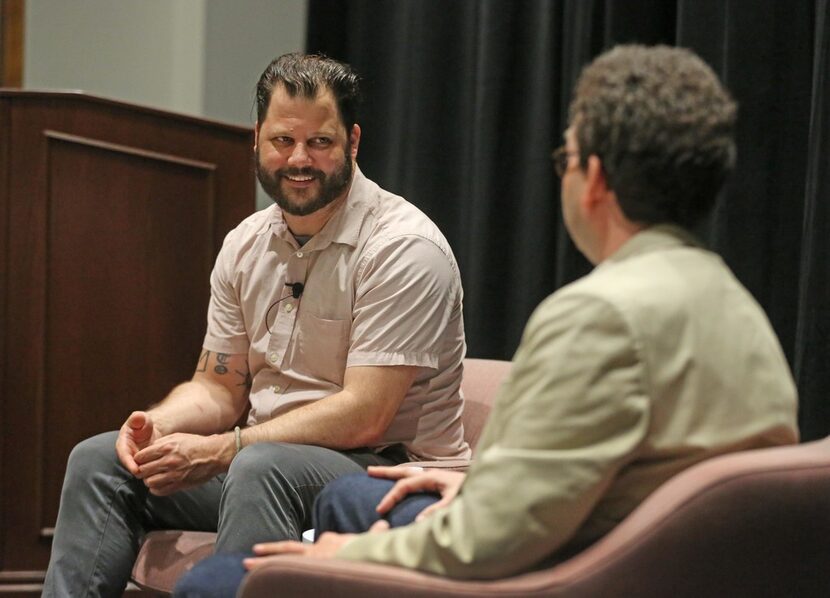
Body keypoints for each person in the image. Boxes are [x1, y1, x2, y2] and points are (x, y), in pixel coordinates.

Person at [174, 44, 799, 596]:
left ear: (595, 180)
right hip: (649, 558)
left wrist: (350, 555)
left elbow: (491, 541)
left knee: (214, 580)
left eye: (565, 156)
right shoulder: (741, 309)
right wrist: (472, 491)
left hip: (568, 571)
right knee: (348, 495)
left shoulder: (596, 317)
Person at [43, 52, 469, 597]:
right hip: (265, 456)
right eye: (283, 141)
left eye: (321, 142)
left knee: (258, 467)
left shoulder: (403, 248)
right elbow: (219, 387)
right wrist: (158, 426)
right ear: (257, 140)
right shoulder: (246, 243)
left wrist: (226, 448)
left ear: (353, 142)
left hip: (388, 474)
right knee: (102, 461)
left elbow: (368, 414)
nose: (300, 159)